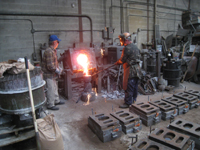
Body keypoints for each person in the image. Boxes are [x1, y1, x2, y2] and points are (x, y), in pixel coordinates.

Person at [115, 32, 141, 108]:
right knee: (135, 86)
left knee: (128, 86)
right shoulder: (135, 46)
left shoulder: (127, 48)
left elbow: (122, 60)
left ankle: (128, 103)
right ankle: (133, 100)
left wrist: (117, 62)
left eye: (122, 40)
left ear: (125, 40)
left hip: (131, 71)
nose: (121, 41)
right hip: (137, 70)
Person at [42, 35, 65, 110]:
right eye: (58, 42)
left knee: (55, 88)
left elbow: (55, 63)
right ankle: (50, 104)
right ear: (54, 42)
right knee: (50, 89)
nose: (58, 43)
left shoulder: (53, 51)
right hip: (48, 75)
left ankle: (56, 100)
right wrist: (58, 71)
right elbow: (50, 66)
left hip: (53, 75)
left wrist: (59, 68)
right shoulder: (49, 51)